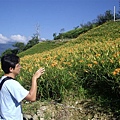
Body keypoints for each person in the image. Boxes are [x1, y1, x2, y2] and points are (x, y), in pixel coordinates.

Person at [0, 54, 45, 120]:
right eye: (18, 65)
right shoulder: (12, 83)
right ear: (11, 69)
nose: (20, 67)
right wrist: (34, 78)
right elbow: (32, 97)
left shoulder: (2, 79)